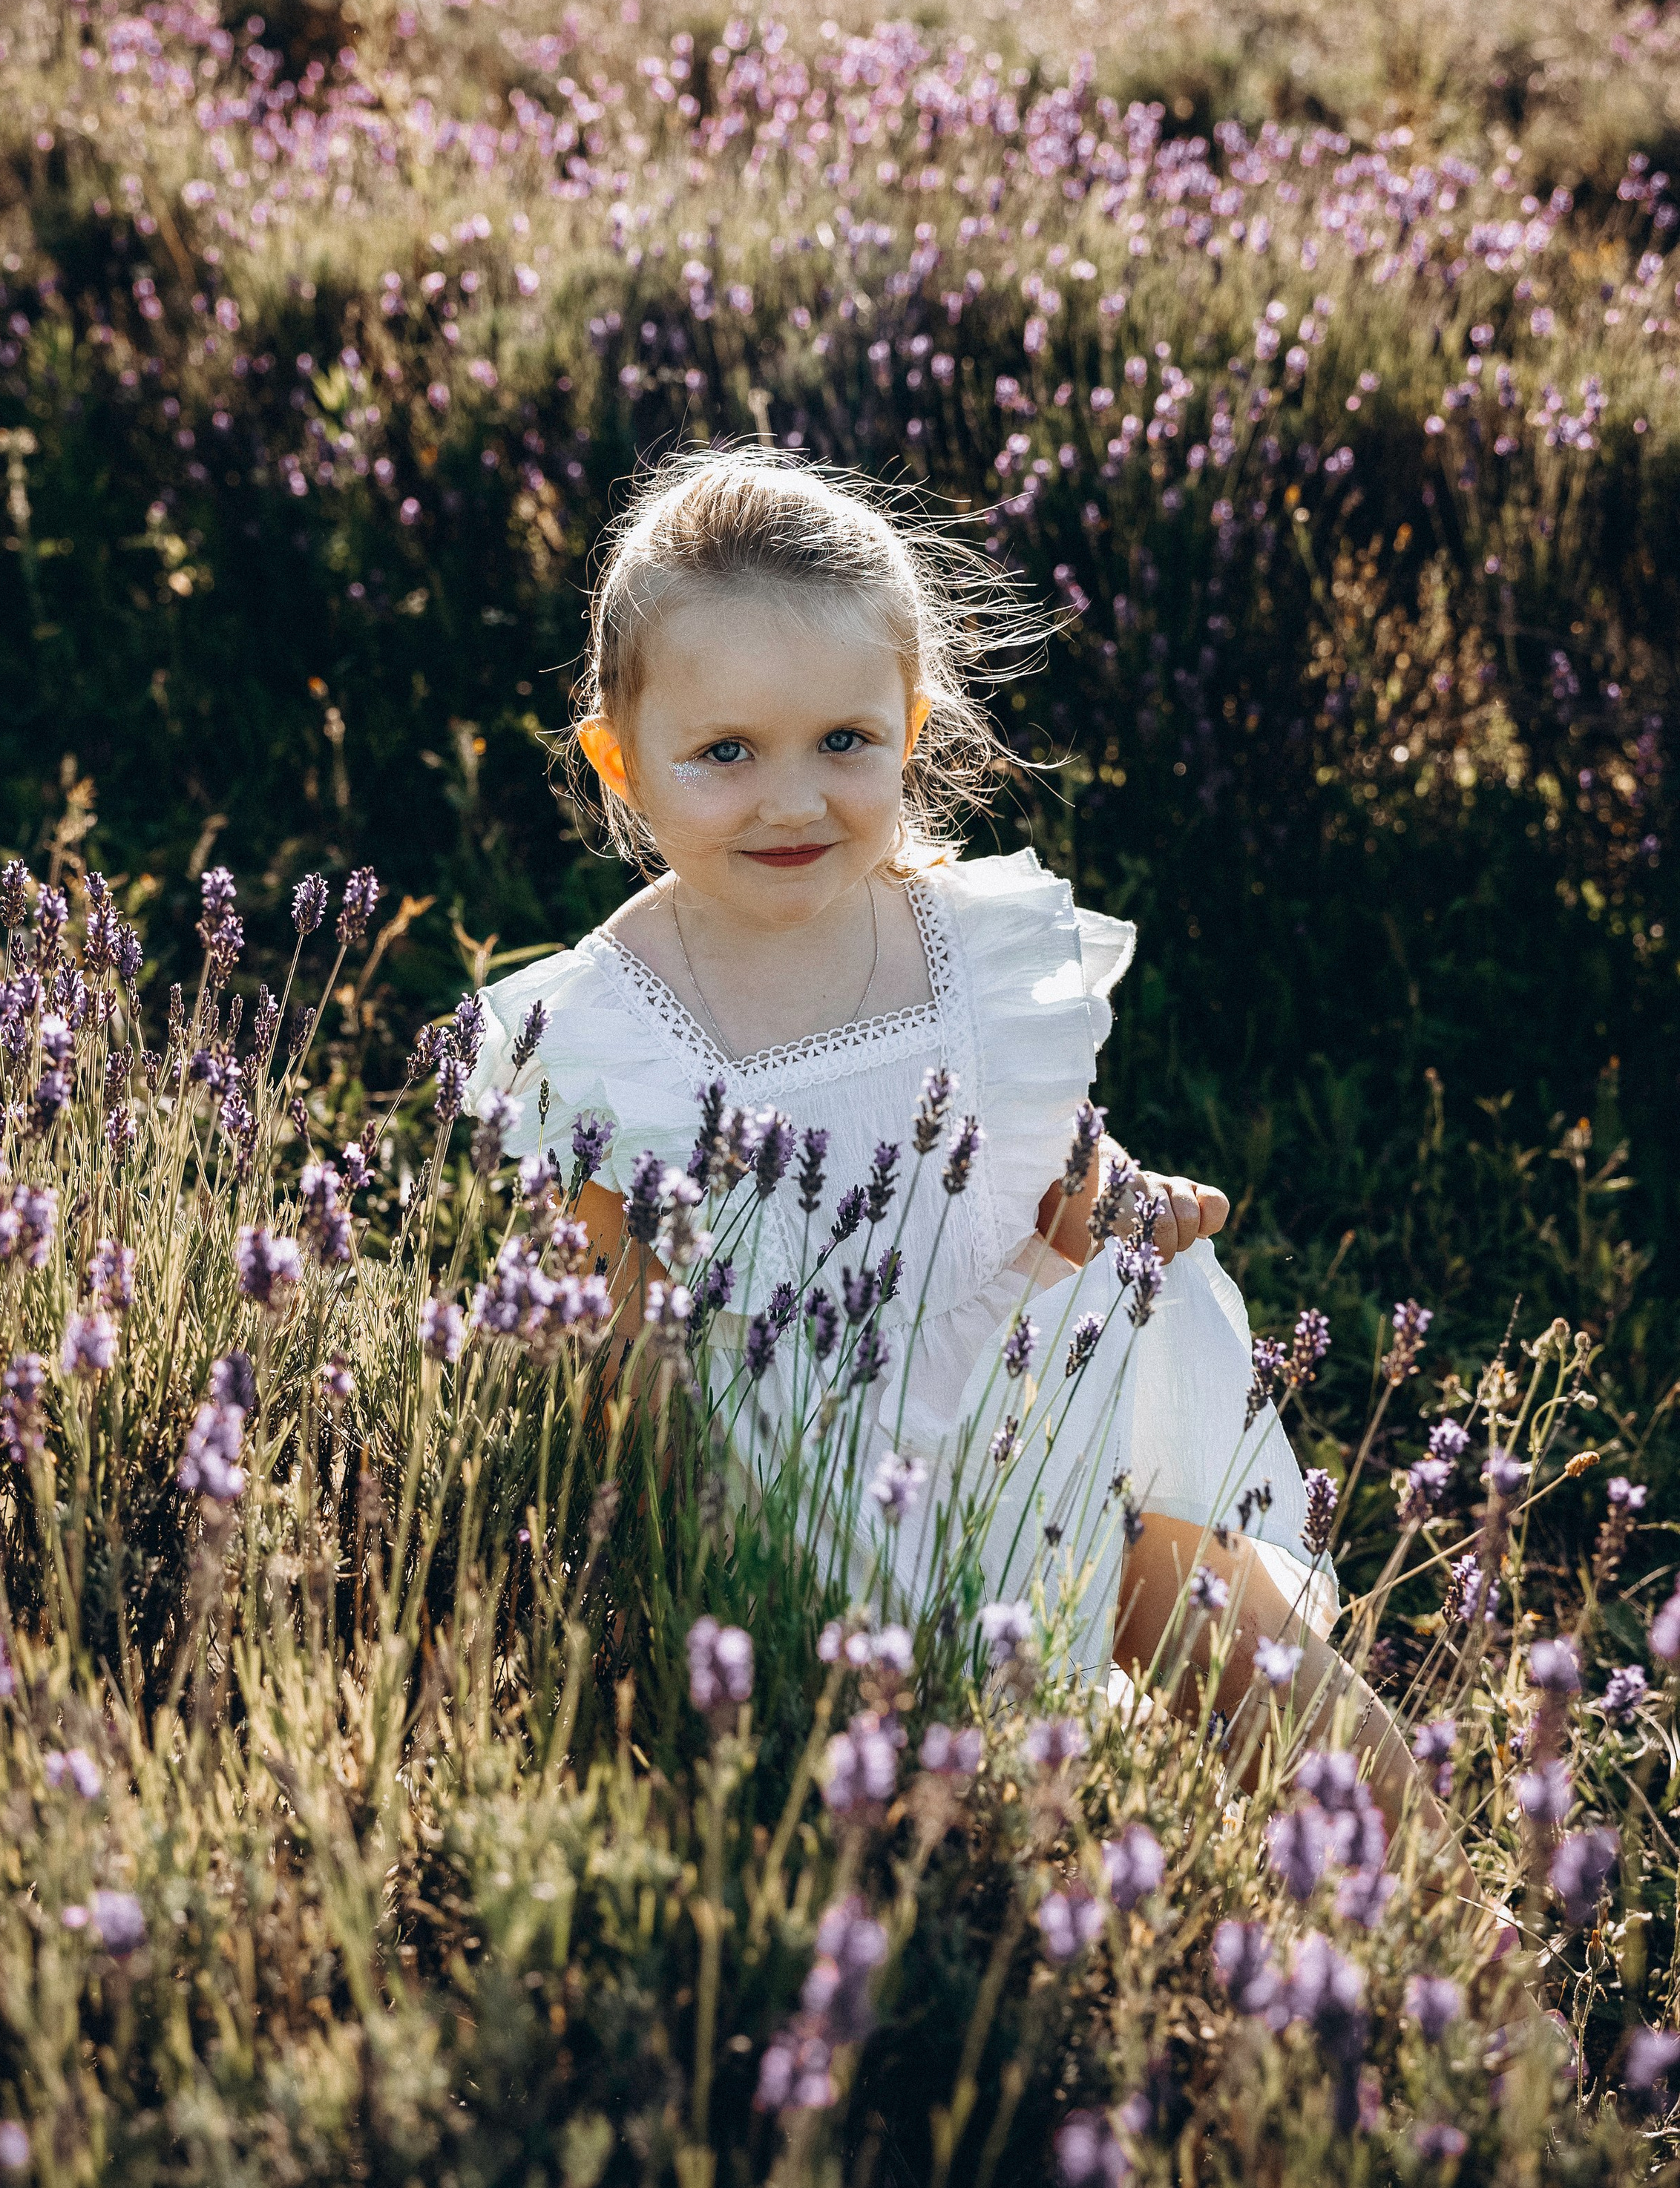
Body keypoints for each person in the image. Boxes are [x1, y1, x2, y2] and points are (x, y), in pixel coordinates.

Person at [470, 445, 1435, 1826]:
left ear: (912, 725)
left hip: (1026, 1413)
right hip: (779, 1501)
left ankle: (1463, 1938)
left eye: (843, 743)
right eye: (726, 753)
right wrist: (722, 1561)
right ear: (623, 767)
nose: (794, 799)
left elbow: (1041, 1181)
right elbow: (612, 1352)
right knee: (935, 1827)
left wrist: (1105, 1208)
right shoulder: (610, 1030)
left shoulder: (970, 947)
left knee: (1230, 1618)